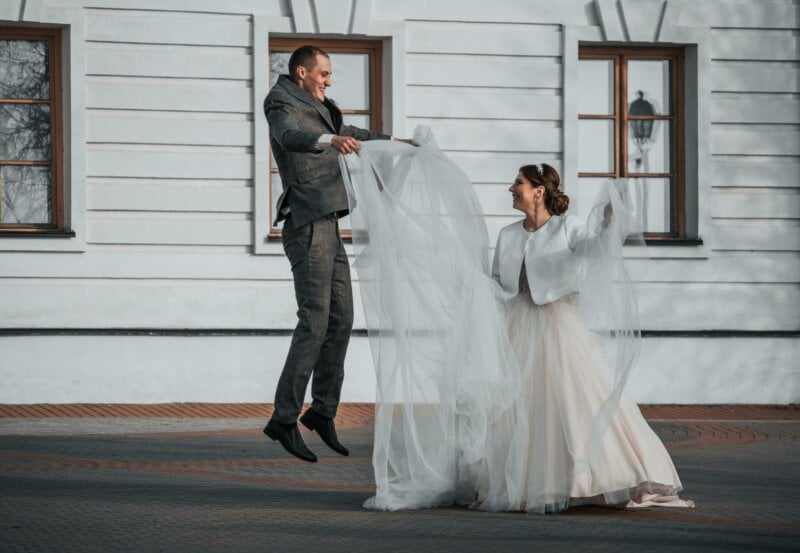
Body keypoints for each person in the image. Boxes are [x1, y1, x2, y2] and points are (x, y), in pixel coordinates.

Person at [476, 163, 694, 512]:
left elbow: (598, 250)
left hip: (559, 325)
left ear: (538, 190)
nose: (510, 189)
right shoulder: (507, 235)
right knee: (519, 406)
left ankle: (601, 475)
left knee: (576, 399)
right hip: (516, 324)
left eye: (517, 182)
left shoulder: (568, 228)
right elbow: (497, 282)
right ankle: (525, 481)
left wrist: (609, 223)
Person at [262, 45, 395, 463]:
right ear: (302, 72)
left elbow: (353, 134)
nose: (328, 80)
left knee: (342, 319)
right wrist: (328, 139)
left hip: (330, 223)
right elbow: (290, 137)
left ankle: (321, 410)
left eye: (330, 74)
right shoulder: (281, 100)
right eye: (323, 73)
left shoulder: (324, 106)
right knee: (315, 320)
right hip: (305, 222)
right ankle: (284, 417)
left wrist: (399, 143)